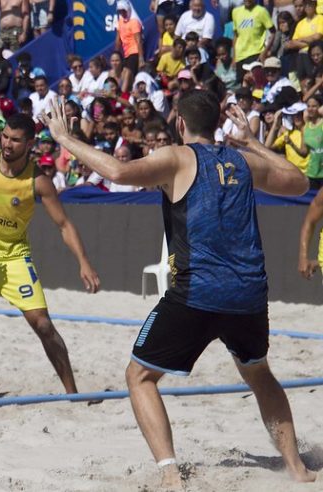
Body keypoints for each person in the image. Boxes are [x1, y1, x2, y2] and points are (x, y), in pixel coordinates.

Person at [42, 91, 317, 487]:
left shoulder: (176, 156)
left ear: (180, 123)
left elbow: (117, 173)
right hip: (249, 293)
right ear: (216, 124)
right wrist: (254, 142)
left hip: (198, 292)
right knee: (259, 374)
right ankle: (296, 468)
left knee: (139, 376)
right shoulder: (241, 160)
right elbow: (299, 182)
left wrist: (65, 139)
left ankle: (170, 474)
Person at [0, 113, 100, 397]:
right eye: (4, 137)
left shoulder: (38, 181)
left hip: (13, 256)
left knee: (43, 324)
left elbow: (64, 224)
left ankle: (73, 395)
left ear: (30, 143)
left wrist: (84, 262)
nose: (7, 144)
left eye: (15, 140)